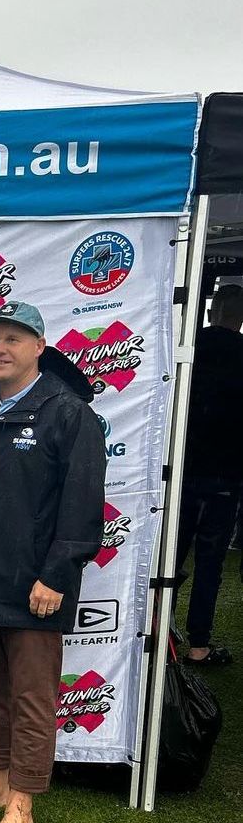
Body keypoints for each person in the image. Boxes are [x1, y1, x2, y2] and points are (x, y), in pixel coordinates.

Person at [0, 301, 105, 823]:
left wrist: (57, 574)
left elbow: (82, 506)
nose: (0, 349)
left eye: (13, 339)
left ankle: (23, 801)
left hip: (37, 585)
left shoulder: (69, 412)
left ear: (39, 347)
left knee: (31, 695)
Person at [175, 283, 243, 665]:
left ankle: (157, 628)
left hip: (182, 471)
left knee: (169, 558)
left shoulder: (189, 348)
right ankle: (199, 646)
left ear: (213, 311)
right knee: (210, 565)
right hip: (225, 476)